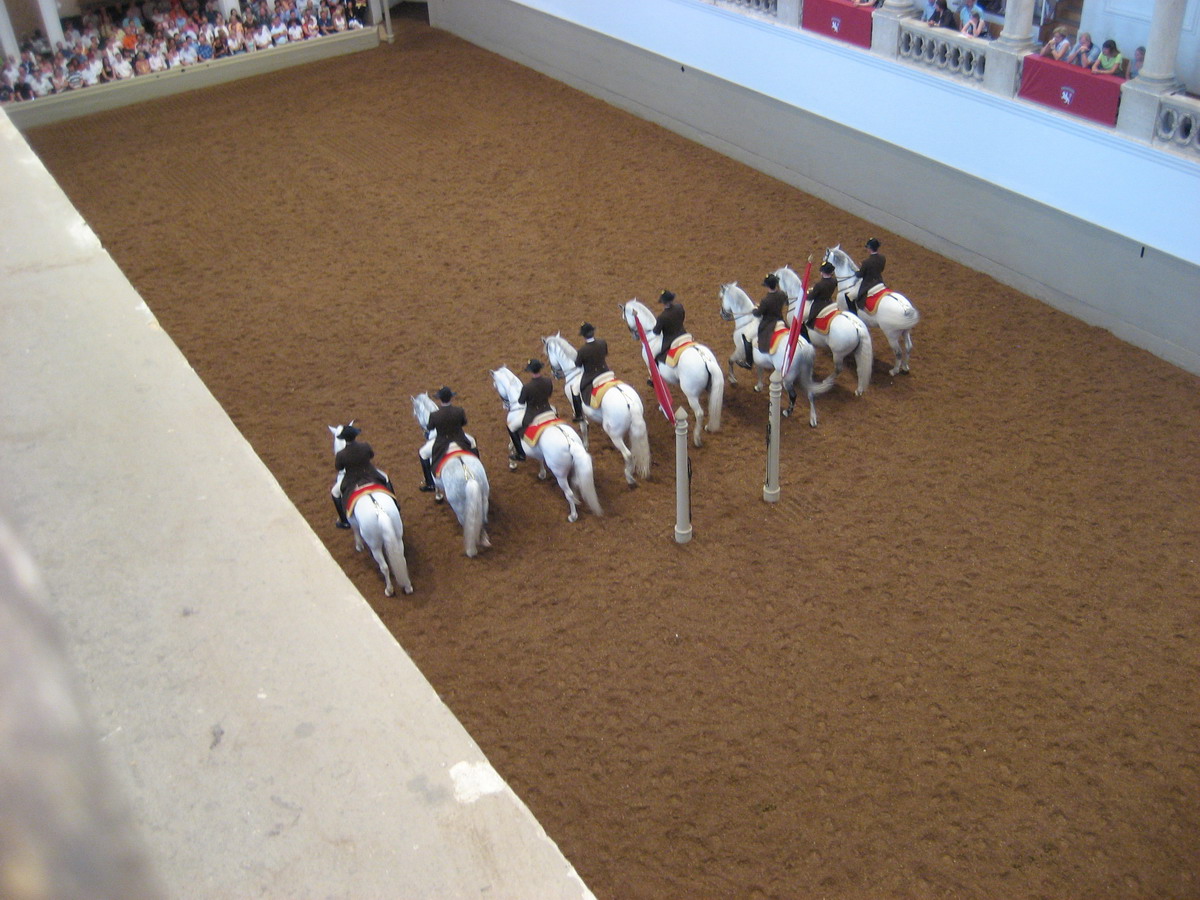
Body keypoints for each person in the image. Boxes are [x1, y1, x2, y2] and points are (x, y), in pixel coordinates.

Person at [331, 424, 393, 529]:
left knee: (335, 493)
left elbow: (339, 468)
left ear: (344, 439)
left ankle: (344, 521)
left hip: (352, 478)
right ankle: (395, 503)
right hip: (370, 472)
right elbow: (371, 455)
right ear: (355, 436)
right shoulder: (365, 445)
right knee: (386, 478)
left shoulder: (341, 454)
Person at [418, 386, 478, 493]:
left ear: (440, 399)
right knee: (472, 442)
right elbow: (464, 423)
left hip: (442, 443)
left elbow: (430, 428)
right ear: (451, 398)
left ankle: (430, 483)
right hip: (460, 439)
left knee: (422, 453)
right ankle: (478, 464)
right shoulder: (459, 410)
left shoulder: (434, 415)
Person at [510, 358, 553, 462]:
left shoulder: (527, 387)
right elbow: (549, 394)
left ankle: (520, 454)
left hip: (533, 414)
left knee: (512, 427)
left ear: (530, 371)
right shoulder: (548, 381)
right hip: (548, 410)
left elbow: (521, 402)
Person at [572, 322, 609, 421]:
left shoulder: (582, 351)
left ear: (583, 336)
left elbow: (578, 366)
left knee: (574, 389)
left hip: (591, 376)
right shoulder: (602, 342)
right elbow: (605, 354)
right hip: (606, 372)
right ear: (593, 332)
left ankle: (579, 415)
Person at [801, 262, 838, 340]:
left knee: (803, 317)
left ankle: (807, 338)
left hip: (819, 305)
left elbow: (811, 297)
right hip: (829, 302)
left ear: (822, 272)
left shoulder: (819, 285)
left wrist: (804, 295)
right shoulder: (834, 281)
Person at [753, 273, 789, 353]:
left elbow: (758, 313)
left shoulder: (765, 300)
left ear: (767, 286)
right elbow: (787, 301)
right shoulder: (782, 294)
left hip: (769, 323)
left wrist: (754, 309)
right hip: (780, 320)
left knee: (761, 331)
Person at [652, 289, 686, 365]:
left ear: (663, 303)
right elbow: (683, 317)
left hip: (671, 341)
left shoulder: (662, 317)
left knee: (657, 358)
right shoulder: (679, 307)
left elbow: (656, 332)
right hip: (684, 335)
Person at [852, 237, 885, 315]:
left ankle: (857, 311)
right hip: (879, 281)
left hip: (868, 284)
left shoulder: (866, 262)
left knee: (853, 296)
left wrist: (856, 272)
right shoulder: (883, 258)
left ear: (869, 248)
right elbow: (881, 269)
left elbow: (860, 275)